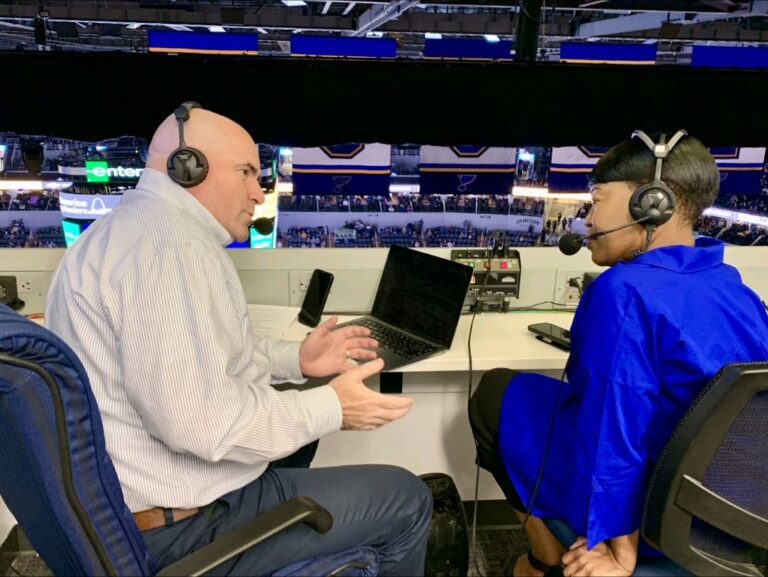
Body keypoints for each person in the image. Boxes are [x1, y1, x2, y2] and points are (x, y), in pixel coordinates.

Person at [46, 104, 432, 576]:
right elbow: (204, 426)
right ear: (189, 169)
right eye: (246, 173)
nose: (259, 191)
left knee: (298, 429)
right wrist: (334, 408)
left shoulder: (139, 231)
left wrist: (300, 360)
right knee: (408, 499)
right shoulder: (168, 252)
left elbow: (219, 351)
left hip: (149, 503)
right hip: (180, 529)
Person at [469, 131, 768, 577]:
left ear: (652, 204)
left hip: (662, 516)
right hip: (737, 513)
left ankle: (542, 561)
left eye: (597, 199)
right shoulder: (731, 284)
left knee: (495, 393)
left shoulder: (623, 293)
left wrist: (619, 548)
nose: (587, 219)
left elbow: (613, 427)